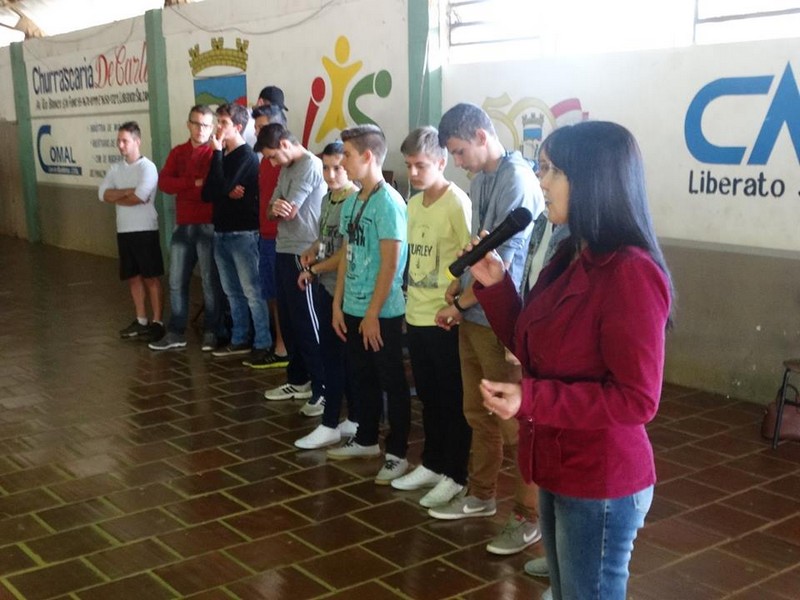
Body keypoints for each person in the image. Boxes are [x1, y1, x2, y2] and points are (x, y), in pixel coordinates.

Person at [473, 121, 673, 600]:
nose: (542, 182)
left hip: (600, 476)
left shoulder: (630, 273)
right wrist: (497, 287)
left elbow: (636, 400)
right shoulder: (571, 254)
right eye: (544, 169)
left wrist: (530, 398)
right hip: (558, 461)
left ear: (594, 181)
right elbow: (536, 347)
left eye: (555, 171)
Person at [429, 102, 544, 558]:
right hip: (474, 315)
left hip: (499, 319)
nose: (456, 162)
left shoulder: (515, 180)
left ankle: (528, 515)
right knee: (479, 413)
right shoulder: (482, 180)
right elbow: (479, 248)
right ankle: (481, 494)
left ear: (480, 135)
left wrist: (462, 303)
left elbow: (505, 268)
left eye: (458, 151)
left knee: (516, 424)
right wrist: (456, 289)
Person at [389, 126, 473, 509]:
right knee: (428, 395)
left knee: (452, 397)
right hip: (417, 311)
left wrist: (457, 307)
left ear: (441, 162)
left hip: (445, 317)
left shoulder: (457, 203)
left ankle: (455, 473)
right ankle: (433, 462)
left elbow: (472, 260)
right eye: (409, 165)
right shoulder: (413, 204)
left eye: (421, 165)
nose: (414, 173)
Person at [326, 124, 411, 486]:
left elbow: (392, 264)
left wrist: (374, 311)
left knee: (391, 380)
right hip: (354, 306)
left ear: (367, 156)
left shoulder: (389, 202)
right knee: (361, 378)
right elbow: (347, 253)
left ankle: (397, 453)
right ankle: (365, 439)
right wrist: (337, 303)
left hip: (383, 311)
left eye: (346, 155)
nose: (342, 161)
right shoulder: (352, 200)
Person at [294, 141, 359, 449]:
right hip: (325, 286)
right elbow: (324, 240)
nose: (331, 175)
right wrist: (311, 253)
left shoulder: (354, 201)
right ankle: (350, 417)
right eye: (326, 168)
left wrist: (315, 269)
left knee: (338, 358)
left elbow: (346, 253)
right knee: (333, 355)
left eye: (338, 168)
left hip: (343, 290)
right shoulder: (327, 199)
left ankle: (331, 420)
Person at [256, 124, 326, 408]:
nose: (272, 163)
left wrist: (278, 208)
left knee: (307, 322)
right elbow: (272, 208)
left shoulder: (310, 164)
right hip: (283, 247)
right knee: (288, 319)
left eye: (273, 156)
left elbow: (290, 208)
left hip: (305, 251)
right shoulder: (286, 168)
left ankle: (322, 387)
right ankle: (298, 380)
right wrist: (276, 208)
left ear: (285, 144)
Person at [149, 105, 225, 352]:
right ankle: (176, 332)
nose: (201, 129)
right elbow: (164, 183)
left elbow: (210, 190)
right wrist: (192, 183)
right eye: (196, 123)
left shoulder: (216, 153)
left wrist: (188, 187)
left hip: (209, 224)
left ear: (212, 127)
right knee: (176, 280)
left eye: (205, 125)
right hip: (183, 225)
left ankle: (212, 331)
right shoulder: (178, 152)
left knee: (209, 282)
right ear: (188, 124)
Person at [201, 103, 274, 363]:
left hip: (243, 233)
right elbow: (208, 192)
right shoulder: (221, 156)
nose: (217, 128)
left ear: (238, 127)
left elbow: (222, 185)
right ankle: (239, 338)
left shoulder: (245, 156)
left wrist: (223, 184)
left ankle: (263, 341)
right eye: (217, 122)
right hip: (221, 231)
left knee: (252, 291)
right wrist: (224, 188)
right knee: (231, 291)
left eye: (223, 123)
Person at [99, 121, 164, 342]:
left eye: (125, 141)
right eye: (118, 141)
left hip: (145, 229)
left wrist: (120, 195)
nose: (120, 145)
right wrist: (127, 193)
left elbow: (141, 197)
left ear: (137, 141)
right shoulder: (116, 168)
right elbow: (103, 194)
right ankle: (141, 318)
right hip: (124, 230)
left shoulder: (148, 167)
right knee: (133, 277)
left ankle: (157, 321)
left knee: (151, 277)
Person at [251, 104, 290, 365]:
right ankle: (280, 346)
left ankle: (285, 348)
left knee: (284, 296)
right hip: (264, 234)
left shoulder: (288, 163)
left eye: (262, 128)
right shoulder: (265, 161)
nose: (257, 133)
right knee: (271, 294)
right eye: (255, 128)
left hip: (283, 238)